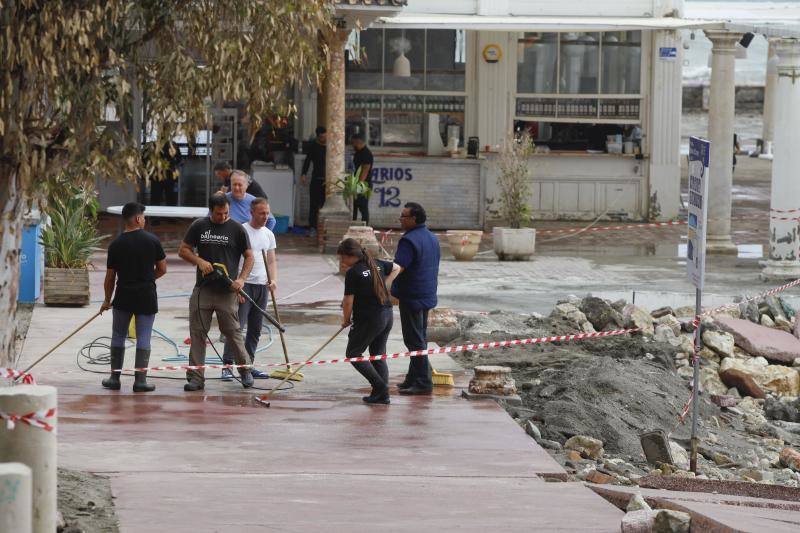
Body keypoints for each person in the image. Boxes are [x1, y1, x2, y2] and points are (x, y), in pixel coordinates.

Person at [178, 193, 255, 391]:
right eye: (219, 214)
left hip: (227, 291)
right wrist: (199, 261)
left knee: (232, 332)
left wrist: (241, 279)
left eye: (226, 213)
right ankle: (196, 377)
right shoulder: (199, 226)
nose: (223, 217)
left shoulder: (237, 229)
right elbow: (183, 250)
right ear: (211, 211)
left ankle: (245, 371)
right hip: (203, 290)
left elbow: (249, 256)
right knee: (197, 333)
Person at [100, 203, 167, 392]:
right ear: (138, 218)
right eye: (143, 217)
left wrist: (107, 300)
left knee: (118, 335)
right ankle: (140, 381)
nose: (144, 220)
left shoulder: (116, 244)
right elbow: (162, 269)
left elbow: (110, 277)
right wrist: (147, 279)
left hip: (123, 296)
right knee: (144, 337)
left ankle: (115, 379)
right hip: (146, 296)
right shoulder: (152, 240)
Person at [221, 198, 277, 381]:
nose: (265, 217)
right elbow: (233, 259)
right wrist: (237, 284)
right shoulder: (241, 231)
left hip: (262, 286)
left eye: (267, 213)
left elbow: (271, 260)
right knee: (237, 327)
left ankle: (248, 366)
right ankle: (227, 366)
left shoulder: (268, 234)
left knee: (256, 328)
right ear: (251, 212)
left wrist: (273, 279)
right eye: (262, 213)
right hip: (244, 286)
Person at [338, 238, 400, 404]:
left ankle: (381, 387)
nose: (341, 261)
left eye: (342, 257)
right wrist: (384, 286)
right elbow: (396, 267)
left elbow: (348, 301)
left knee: (353, 354)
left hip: (370, 318)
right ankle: (382, 395)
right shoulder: (377, 263)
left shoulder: (354, 272)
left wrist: (345, 320)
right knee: (378, 356)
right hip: (387, 314)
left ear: (350, 255)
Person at [391, 202, 441, 395]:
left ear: (413, 219)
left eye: (403, 216)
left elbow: (398, 268)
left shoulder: (409, 240)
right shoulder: (431, 237)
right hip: (427, 294)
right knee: (420, 338)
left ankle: (422, 382)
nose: (400, 219)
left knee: (414, 341)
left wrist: (383, 282)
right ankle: (412, 378)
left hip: (411, 296)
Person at [300, 126, 327, 236]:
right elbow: (307, 161)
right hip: (316, 178)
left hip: (329, 181)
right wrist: (303, 174)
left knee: (325, 205)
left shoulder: (332, 146)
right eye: (322, 137)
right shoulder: (314, 146)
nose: (324, 138)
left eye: (325, 136)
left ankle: (324, 229)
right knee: (314, 205)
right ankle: (313, 228)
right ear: (318, 136)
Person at [351, 133, 374, 224]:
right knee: (355, 206)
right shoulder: (358, 152)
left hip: (363, 184)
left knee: (363, 206)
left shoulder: (366, 154)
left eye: (353, 143)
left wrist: (359, 186)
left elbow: (365, 171)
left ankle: (365, 227)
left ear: (358, 142)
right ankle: (354, 224)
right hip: (357, 183)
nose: (353, 145)